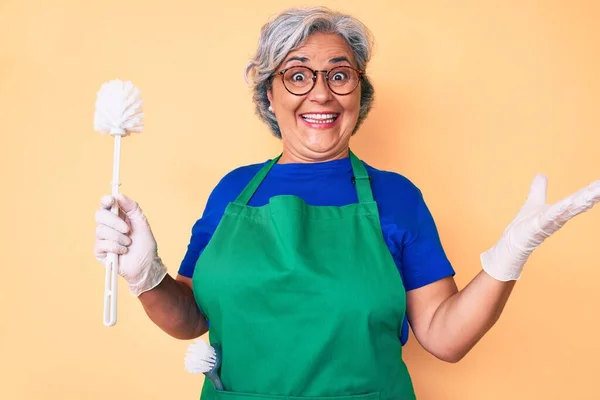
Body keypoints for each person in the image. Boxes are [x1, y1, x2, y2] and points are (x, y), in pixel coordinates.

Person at [93, 6, 600, 400]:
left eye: (340, 75)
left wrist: (511, 254)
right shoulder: (232, 191)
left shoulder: (395, 196)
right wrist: (145, 274)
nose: (321, 94)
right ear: (270, 95)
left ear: (359, 92)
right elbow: (190, 319)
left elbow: (446, 338)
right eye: (298, 75)